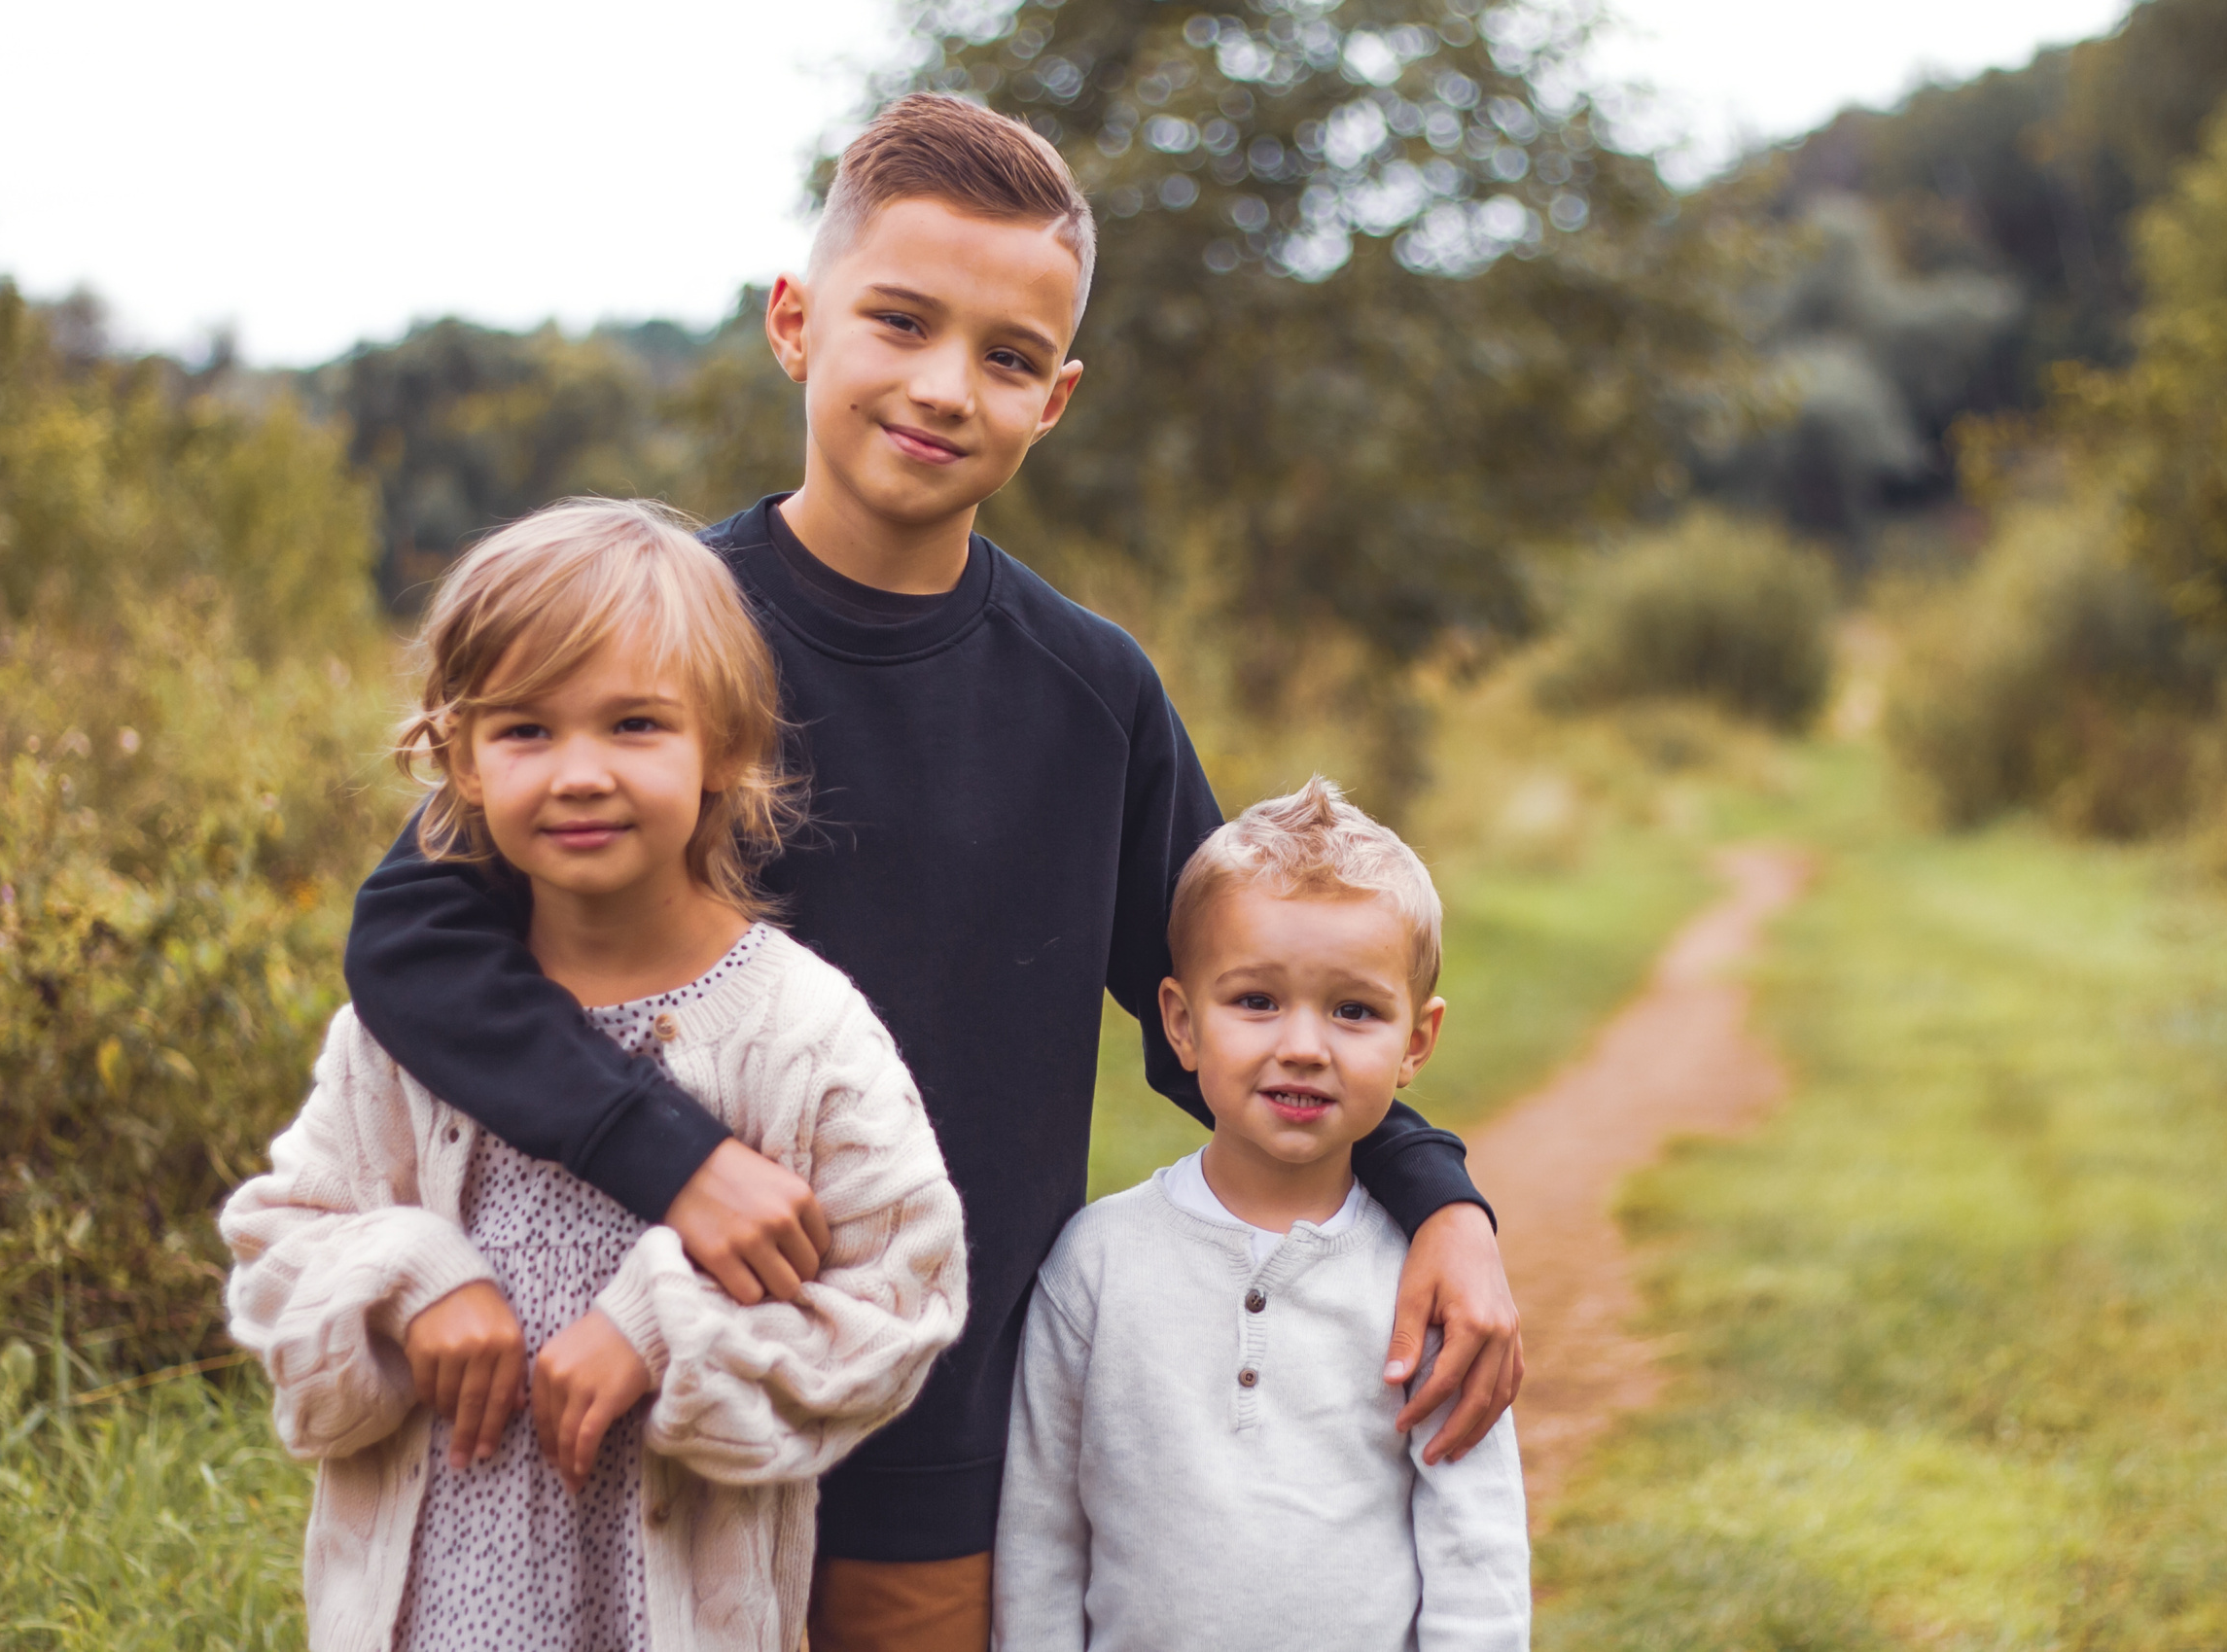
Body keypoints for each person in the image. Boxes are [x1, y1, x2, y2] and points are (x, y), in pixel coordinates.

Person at [340, 92, 1523, 1650]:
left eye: (1008, 355)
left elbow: (1236, 1003)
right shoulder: (645, 649)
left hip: (936, 1433)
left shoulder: (1092, 697)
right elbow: (413, 935)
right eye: (899, 320)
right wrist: (674, 1157)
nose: (944, 385)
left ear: (1059, 396)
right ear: (794, 320)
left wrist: (1438, 1196)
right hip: (642, 1400)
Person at [222, 499, 969, 1650]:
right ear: (458, 762)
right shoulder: (407, 1036)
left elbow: (904, 1294)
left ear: (723, 746)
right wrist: (407, 1275)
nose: (578, 774)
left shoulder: (801, 1031)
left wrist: (667, 1328)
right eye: (524, 731)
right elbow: (280, 1261)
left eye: (633, 725)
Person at [994, 777, 1531, 1651]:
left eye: (1354, 1010)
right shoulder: (1095, 1263)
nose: (1304, 1046)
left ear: (1417, 1042)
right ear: (1180, 1021)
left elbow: (1479, 1551)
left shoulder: (1429, 1283)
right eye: (1256, 1000)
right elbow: (1042, 1539)